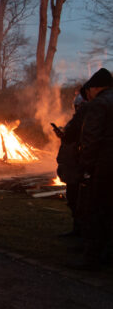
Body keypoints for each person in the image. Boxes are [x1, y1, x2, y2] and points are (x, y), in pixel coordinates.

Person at [72, 68, 113, 270]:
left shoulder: (99, 105)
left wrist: (85, 169)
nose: (87, 96)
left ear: (95, 88)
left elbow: (91, 140)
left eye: (88, 91)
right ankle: (107, 254)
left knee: (93, 211)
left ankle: (91, 259)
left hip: (102, 168)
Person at [55, 92, 88, 237]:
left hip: (78, 167)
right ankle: (77, 230)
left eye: (79, 105)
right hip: (70, 167)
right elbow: (69, 138)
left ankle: (82, 233)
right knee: (73, 200)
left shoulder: (88, 120)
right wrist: (62, 134)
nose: (77, 108)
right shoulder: (77, 120)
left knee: (80, 202)